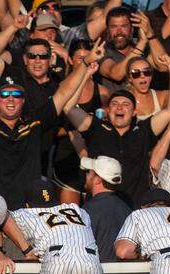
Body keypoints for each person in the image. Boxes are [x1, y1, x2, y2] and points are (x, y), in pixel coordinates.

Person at [0, 28, 93, 208]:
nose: (11, 98)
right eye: (4, 94)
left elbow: (64, 92)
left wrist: (84, 64)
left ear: (23, 101)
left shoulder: (34, 123)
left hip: (27, 210)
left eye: (16, 95)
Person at [66, 55, 170, 205]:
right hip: (101, 207)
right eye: (114, 103)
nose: (120, 107)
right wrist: (86, 77)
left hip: (135, 208)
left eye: (126, 104)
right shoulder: (96, 127)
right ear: (107, 110)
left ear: (134, 112)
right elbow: (68, 107)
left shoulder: (144, 130)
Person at [50, 40, 109, 204]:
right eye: (79, 58)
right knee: (70, 215)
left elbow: (106, 124)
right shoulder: (62, 88)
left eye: (88, 56)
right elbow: (56, 126)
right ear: (70, 60)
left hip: (95, 156)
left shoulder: (102, 91)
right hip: (68, 156)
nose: (85, 60)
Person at [80, 156, 131, 260]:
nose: (86, 175)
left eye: (88, 172)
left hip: (98, 273)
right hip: (124, 273)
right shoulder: (127, 209)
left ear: (98, 180)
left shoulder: (87, 211)